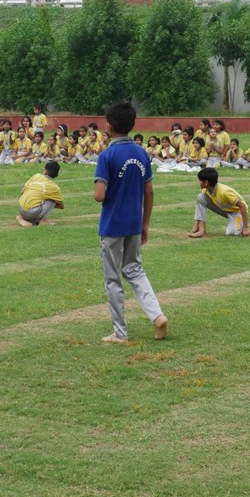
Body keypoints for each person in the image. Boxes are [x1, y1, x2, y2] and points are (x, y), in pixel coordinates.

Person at [93, 101, 167, 345]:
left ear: (109, 126)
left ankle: (120, 332)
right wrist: (145, 224)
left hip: (112, 224)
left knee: (113, 279)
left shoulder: (107, 155)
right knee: (135, 270)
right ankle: (157, 316)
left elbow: (99, 195)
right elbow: (149, 191)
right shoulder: (141, 153)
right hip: (134, 223)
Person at [187, 167, 250, 239]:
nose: (199, 182)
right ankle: (201, 230)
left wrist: (245, 228)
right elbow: (201, 204)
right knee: (200, 197)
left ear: (206, 182)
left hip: (236, 212)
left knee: (231, 233)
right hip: (223, 209)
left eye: (200, 180)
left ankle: (237, 223)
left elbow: (242, 206)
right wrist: (196, 223)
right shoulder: (206, 190)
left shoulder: (224, 192)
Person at [16, 160, 65, 227]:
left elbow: (23, 192)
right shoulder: (54, 187)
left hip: (21, 210)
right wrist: (43, 202)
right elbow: (61, 206)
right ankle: (42, 220)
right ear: (57, 174)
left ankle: (21, 218)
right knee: (52, 200)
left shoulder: (36, 176)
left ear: (45, 171)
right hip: (33, 213)